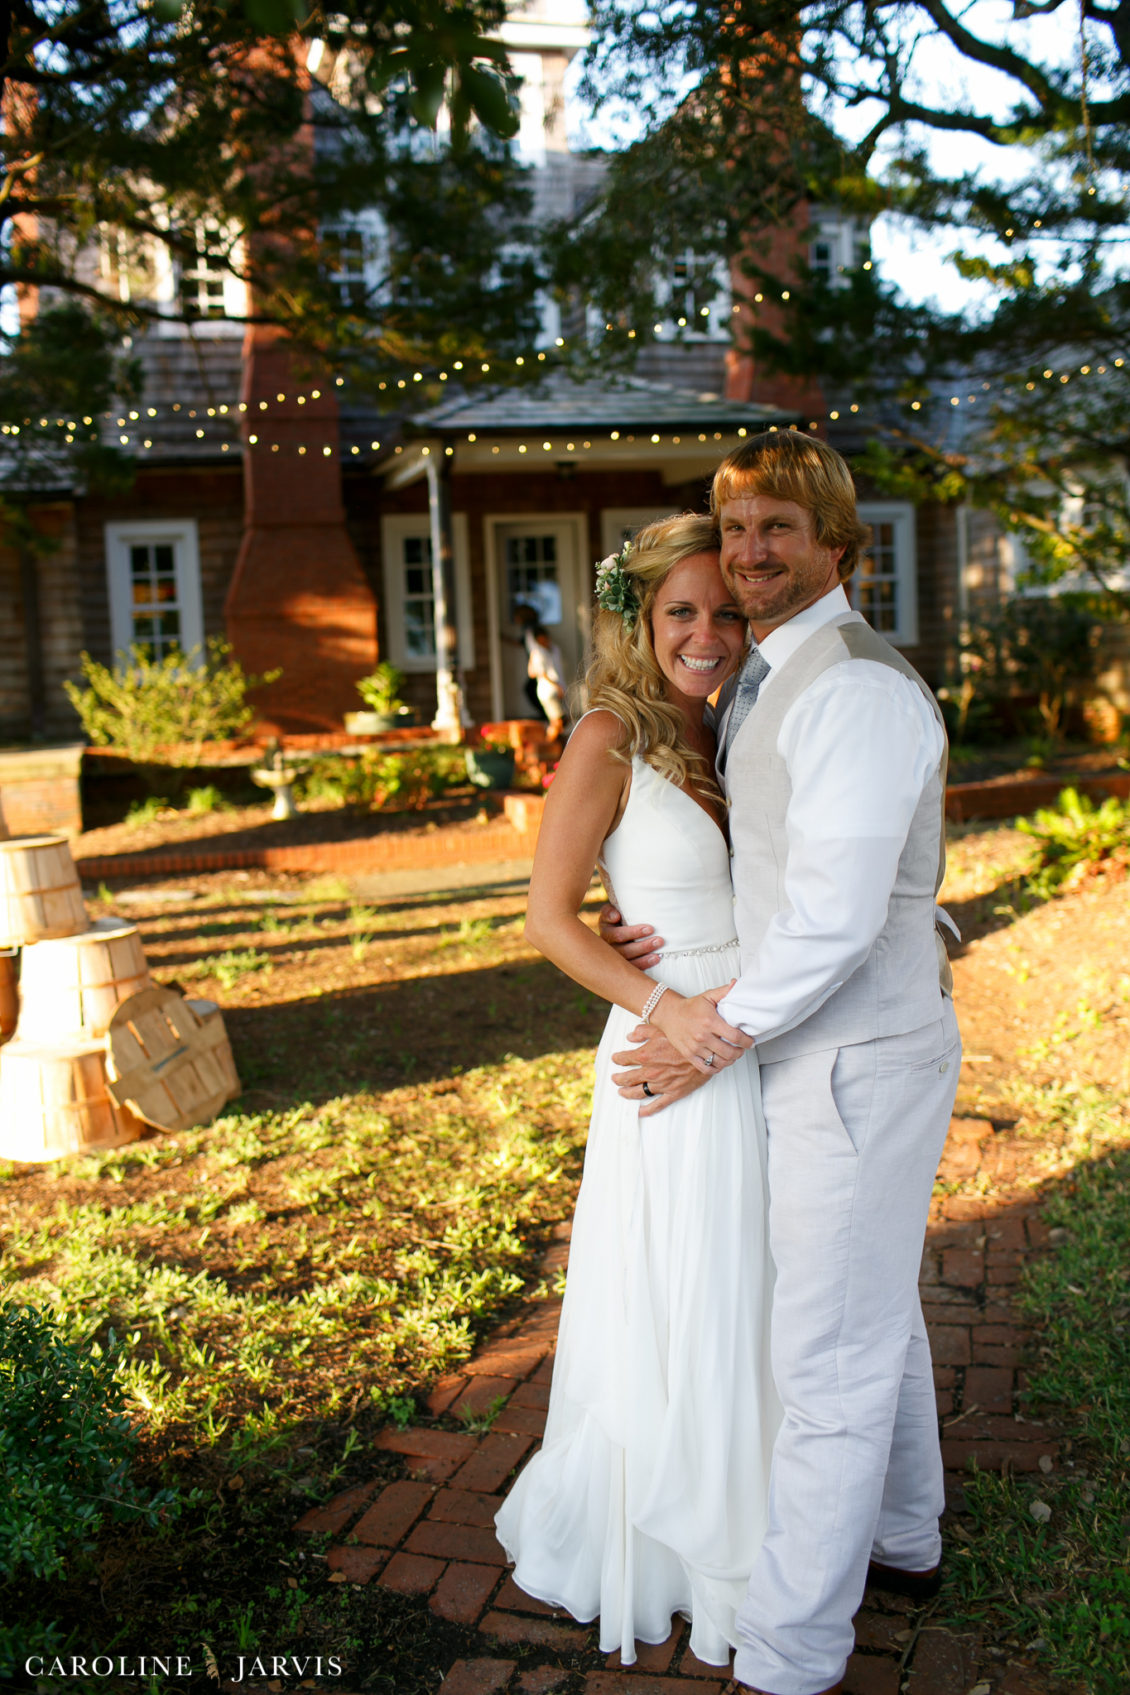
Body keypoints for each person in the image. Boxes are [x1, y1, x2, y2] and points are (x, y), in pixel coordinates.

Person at [603, 432, 961, 1695]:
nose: (749, 552)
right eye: (737, 526)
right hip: (810, 1044)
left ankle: (791, 1654)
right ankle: (904, 1537)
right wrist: (652, 916)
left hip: (850, 1056)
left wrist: (707, 1035)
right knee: (867, 1309)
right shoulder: (770, 670)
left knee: (826, 1357)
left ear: (836, 546)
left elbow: (833, 920)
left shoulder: (851, 689)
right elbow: (769, 865)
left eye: (777, 529)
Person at [494, 515, 781, 1668]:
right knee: (679, 1290)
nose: (706, 634)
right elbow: (547, 919)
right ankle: (670, 1541)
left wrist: (724, 1013)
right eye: (681, 612)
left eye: (726, 612)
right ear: (639, 618)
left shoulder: (734, 724)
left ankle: (760, 1515)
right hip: (670, 1053)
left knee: (746, 1290)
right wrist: (667, 1009)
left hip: (752, 1033)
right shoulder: (606, 735)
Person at [526, 623, 568, 740]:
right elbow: (535, 673)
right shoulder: (538, 653)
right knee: (557, 721)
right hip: (548, 691)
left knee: (563, 720)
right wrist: (557, 686)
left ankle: (554, 743)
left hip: (557, 689)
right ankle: (548, 742)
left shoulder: (553, 650)